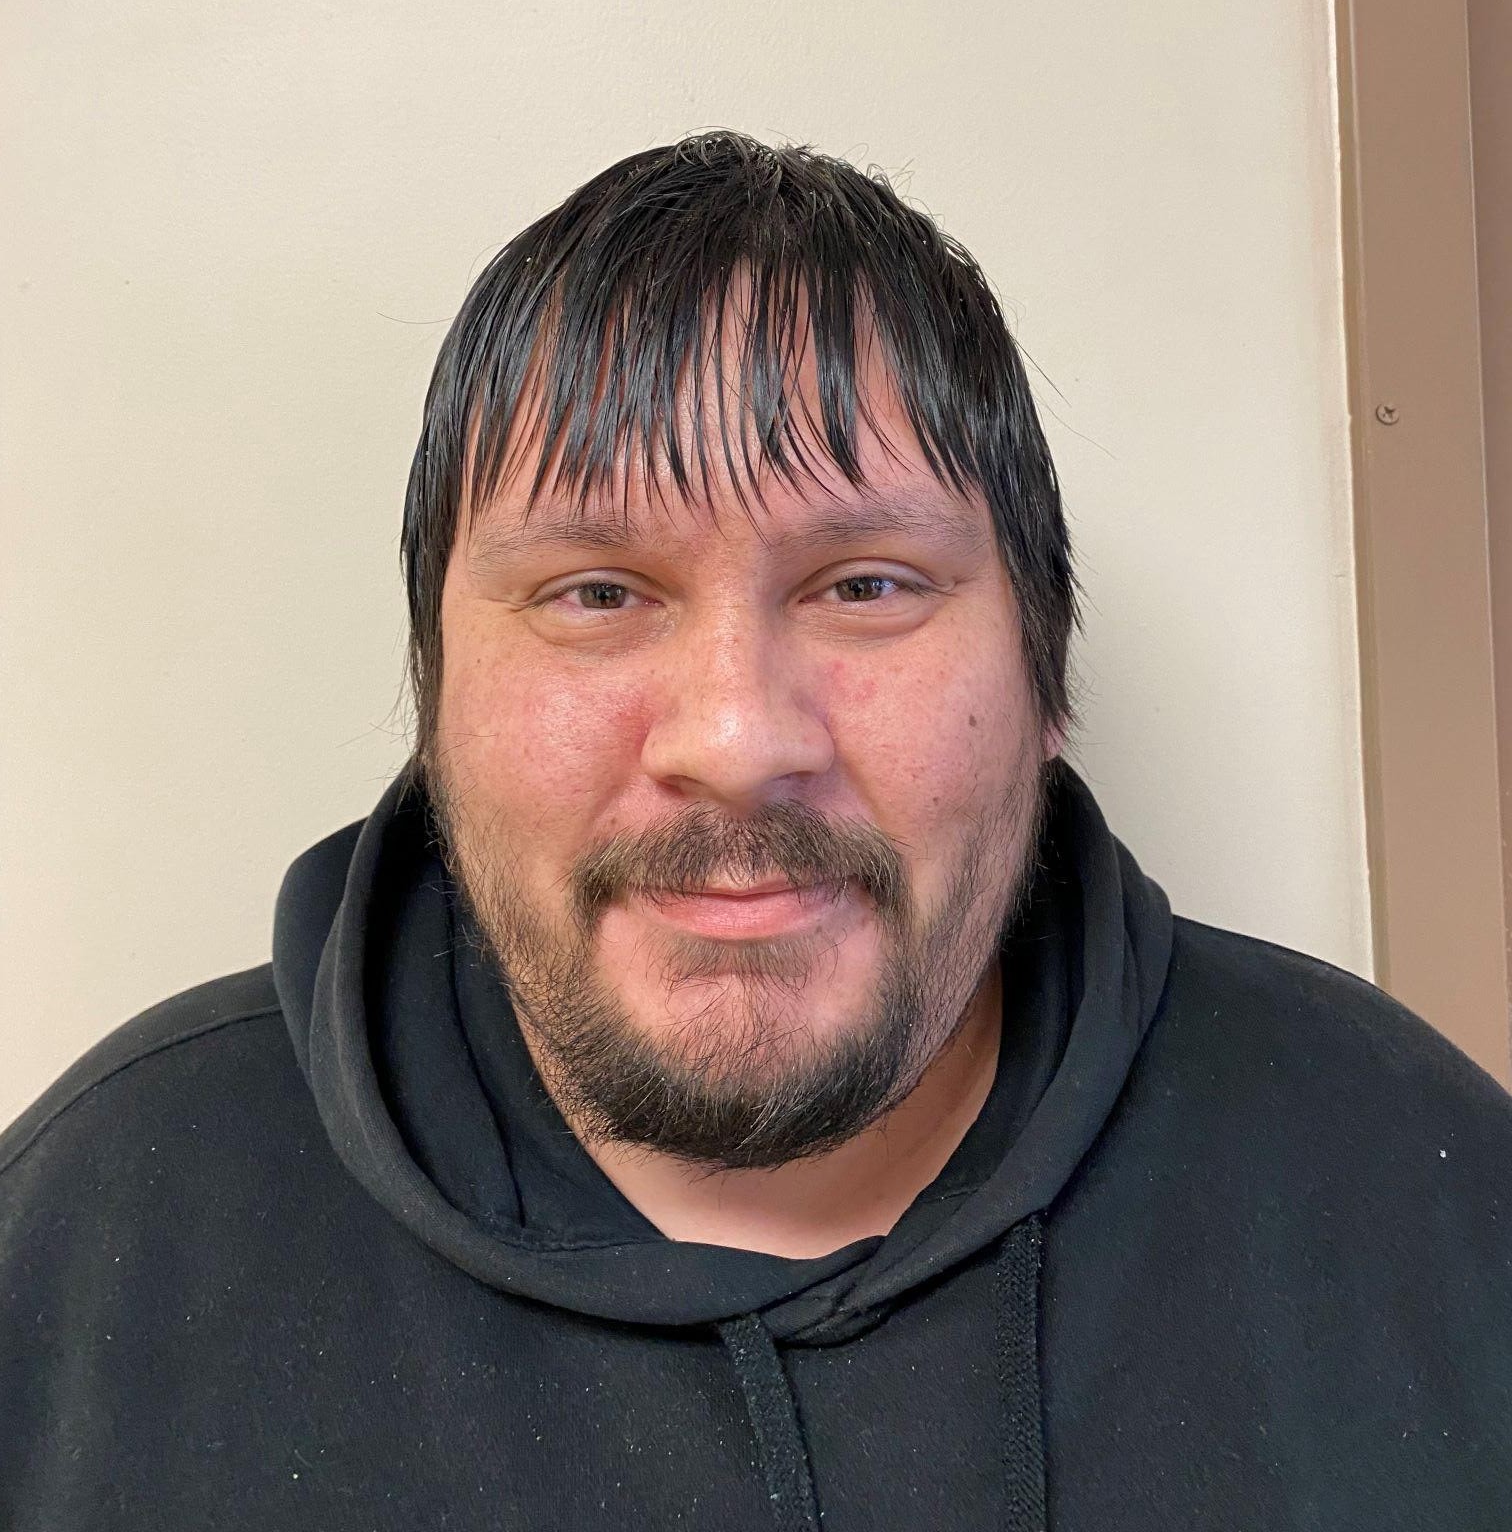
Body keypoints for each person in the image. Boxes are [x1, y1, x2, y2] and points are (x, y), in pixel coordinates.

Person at [2, 131, 1508, 1532]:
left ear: (1047, 676)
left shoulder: (1420, 1191)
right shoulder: (86, 1246)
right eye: (596, 593)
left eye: (865, 586)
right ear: (434, 690)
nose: (735, 743)